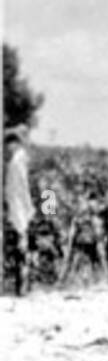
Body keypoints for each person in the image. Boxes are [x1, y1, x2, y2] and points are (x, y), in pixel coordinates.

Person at [3, 126, 35, 296]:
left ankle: (24, 286)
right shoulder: (18, 161)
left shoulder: (19, 161)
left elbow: (25, 188)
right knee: (23, 247)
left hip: (27, 208)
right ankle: (24, 286)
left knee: (24, 247)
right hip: (26, 208)